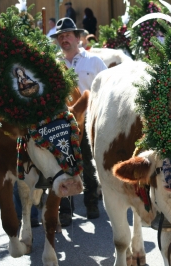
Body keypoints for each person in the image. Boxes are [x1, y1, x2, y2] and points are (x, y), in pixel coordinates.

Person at [51, 17, 107, 226]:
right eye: (60, 36)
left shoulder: (93, 61)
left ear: (77, 37)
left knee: (88, 163)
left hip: (89, 119)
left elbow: (106, 89)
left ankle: (91, 202)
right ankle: (66, 209)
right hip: (62, 123)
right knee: (62, 165)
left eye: (67, 35)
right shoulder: (54, 65)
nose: (64, 39)